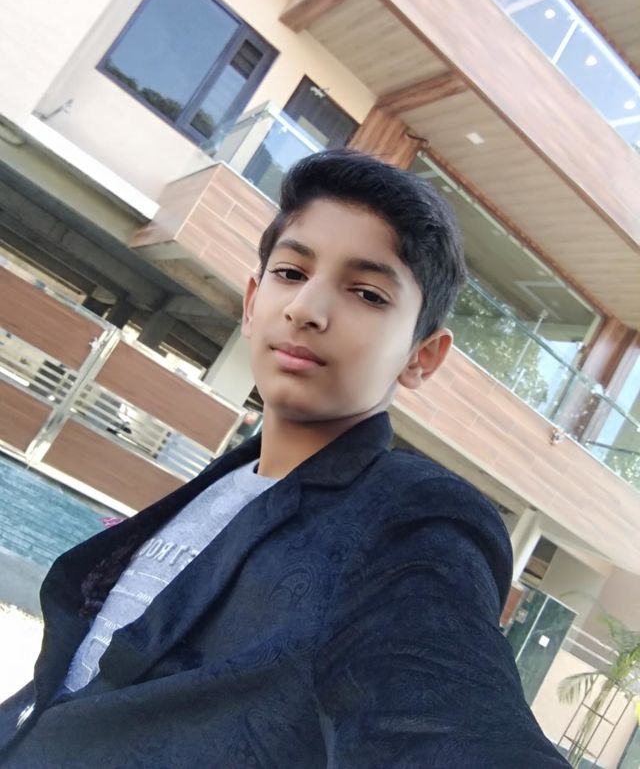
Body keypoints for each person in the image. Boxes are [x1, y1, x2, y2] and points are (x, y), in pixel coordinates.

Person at [0, 150, 569, 767]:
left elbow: (455, 728)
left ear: (420, 357)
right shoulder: (223, 484)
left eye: (367, 293)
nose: (305, 310)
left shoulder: (410, 520)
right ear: (252, 303)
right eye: (292, 273)